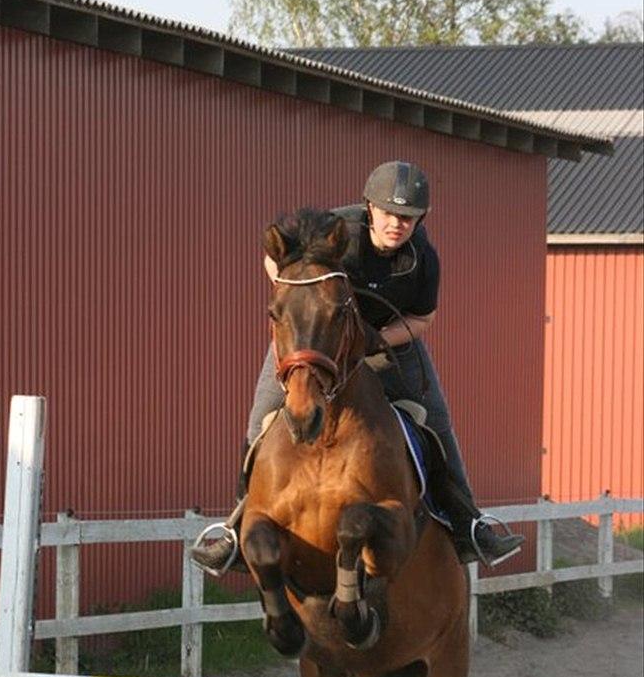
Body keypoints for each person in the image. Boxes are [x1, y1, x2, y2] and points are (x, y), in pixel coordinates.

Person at [192, 160, 524, 574]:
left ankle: (468, 523)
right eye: (388, 213)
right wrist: (296, 296)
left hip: (387, 341)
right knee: (261, 417)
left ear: (421, 219)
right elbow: (275, 260)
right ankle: (235, 529)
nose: (397, 224)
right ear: (369, 207)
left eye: (407, 217)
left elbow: (423, 319)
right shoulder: (338, 232)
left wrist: (376, 339)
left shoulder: (423, 258)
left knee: (436, 422)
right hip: (316, 341)